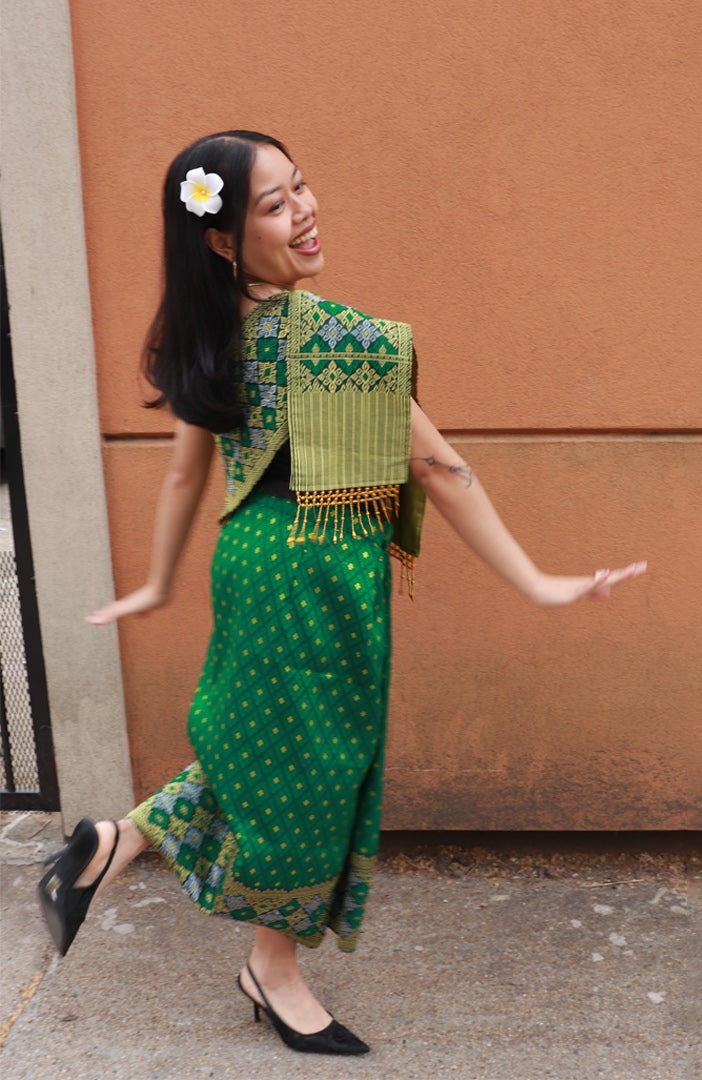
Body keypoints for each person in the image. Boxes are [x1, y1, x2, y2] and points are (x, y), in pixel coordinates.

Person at [35, 130, 646, 1056]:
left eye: (302, 186)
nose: (306, 210)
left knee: (270, 752)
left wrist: (160, 583)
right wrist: (538, 582)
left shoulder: (209, 338)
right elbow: (437, 469)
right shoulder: (338, 344)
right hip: (317, 575)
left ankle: (114, 845)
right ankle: (270, 970)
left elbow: (183, 479)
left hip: (249, 560)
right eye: (275, 205)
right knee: (309, 775)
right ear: (224, 240)